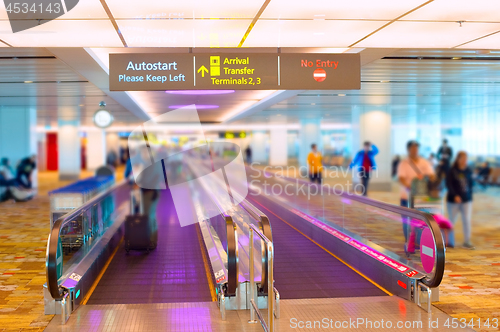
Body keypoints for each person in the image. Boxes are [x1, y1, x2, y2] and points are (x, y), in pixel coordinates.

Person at [397, 141, 435, 244]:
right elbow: (401, 178)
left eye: (416, 148)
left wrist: (429, 179)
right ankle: (408, 241)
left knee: (421, 221)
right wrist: (410, 186)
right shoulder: (404, 163)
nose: (414, 150)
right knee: (406, 220)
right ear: (408, 150)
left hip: (421, 198)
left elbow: (431, 175)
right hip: (407, 197)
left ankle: (420, 241)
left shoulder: (424, 162)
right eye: (412, 148)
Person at [446, 151, 474, 249]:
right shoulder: (452, 170)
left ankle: (467, 241)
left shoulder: (468, 170)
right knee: (452, 220)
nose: (464, 161)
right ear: (457, 159)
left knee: (467, 220)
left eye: (465, 159)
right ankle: (450, 241)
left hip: (466, 200)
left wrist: (469, 195)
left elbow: (470, 184)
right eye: (462, 159)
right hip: (453, 200)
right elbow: (449, 184)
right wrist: (455, 195)